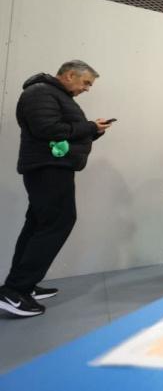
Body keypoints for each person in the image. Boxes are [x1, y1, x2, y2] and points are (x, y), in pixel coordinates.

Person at [0, 60, 112, 317]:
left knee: (38, 225)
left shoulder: (54, 94)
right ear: (70, 75)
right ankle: (15, 291)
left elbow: (63, 132)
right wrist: (89, 127)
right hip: (48, 168)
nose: (87, 89)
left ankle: (23, 285)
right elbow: (47, 129)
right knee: (57, 222)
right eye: (86, 83)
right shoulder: (40, 92)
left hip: (51, 167)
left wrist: (94, 130)